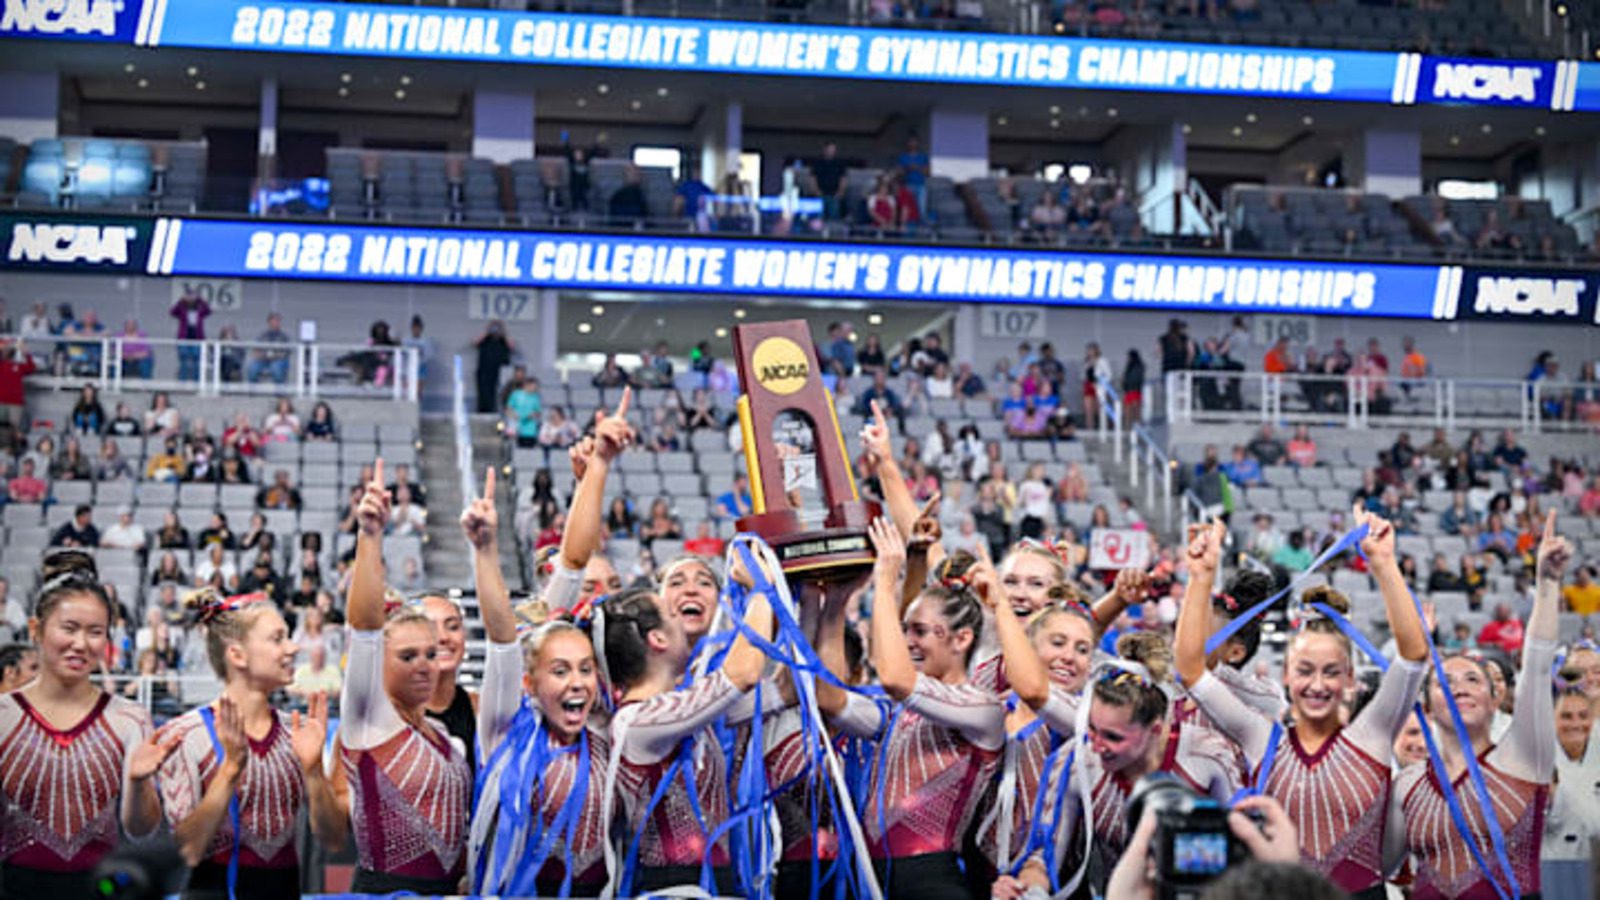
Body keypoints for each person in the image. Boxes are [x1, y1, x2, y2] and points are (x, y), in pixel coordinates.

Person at [1177, 512, 1426, 897]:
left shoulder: (1374, 731)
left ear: (1349, 680)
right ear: (1287, 677)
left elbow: (1413, 655)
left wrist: (1384, 563)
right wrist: (1200, 578)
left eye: (1331, 672)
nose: (1317, 684)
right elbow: (1191, 669)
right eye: (1305, 670)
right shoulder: (1260, 735)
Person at [1393, 510, 1566, 899]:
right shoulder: (1407, 783)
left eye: (1473, 679)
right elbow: (1380, 867)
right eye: (1444, 682)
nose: (1459, 688)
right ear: (1428, 705)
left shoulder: (1524, 758)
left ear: (1495, 700)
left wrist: (1548, 585)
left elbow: (1537, 671)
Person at [597, 525, 773, 894]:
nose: (682, 610)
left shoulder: (683, 705)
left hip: (711, 882)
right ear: (657, 639)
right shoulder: (636, 719)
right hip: (669, 887)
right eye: (670, 613)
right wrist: (762, 590)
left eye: (704, 582)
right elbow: (743, 673)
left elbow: (780, 690)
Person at [1002, 629, 1241, 898]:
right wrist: (1026, 889)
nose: (1096, 744)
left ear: (1155, 729)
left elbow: (1243, 856)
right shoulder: (1078, 759)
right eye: (1091, 728)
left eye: (1113, 737)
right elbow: (1046, 854)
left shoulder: (1207, 755)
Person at [463, 467, 610, 897]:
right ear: (528, 683)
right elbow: (503, 641)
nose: (577, 683)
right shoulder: (504, 730)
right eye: (560, 671)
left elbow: (576, 565)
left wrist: (596, 471)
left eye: (585, 669)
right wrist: (486, 550)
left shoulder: (605, 731)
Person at [147, 590, 343, 899]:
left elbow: (333, 840)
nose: (293, 648)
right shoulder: (185, 734)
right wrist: (230, 770)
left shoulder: (299, 733)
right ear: (237, 655)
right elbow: (188, 851)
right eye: (277, 639)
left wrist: (315, 771)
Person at [337, 460, 471, 893]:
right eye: (408, 655)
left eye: (430, 654)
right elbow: (363, 629)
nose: (424, 665)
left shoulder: (441, 735)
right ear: (379, 665)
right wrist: (370, 537)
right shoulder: (370, 720)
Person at [0, 554, 167, 896]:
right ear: (36, 629)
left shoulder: (129, 718)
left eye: (95, 632)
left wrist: (137, 783)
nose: (81, 644)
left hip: (101, 886)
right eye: (69, 628)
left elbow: (140, 831)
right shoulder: (4, 713)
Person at [474, 320, 514, 414]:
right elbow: (475, 343)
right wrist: (487, 331)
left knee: (499, 391)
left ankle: (498, 410)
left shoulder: (503, 340)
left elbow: (512, 347)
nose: (495, 330)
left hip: (500, 370)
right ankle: (483, 411)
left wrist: (503, 333)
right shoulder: (485, 340)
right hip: (484, 370)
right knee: (484, 391)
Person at [171, 290, 211, 382]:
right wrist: (181, 300)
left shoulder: (200, 309)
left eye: (192, 296)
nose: (190, 298)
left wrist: (200, 299)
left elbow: (208, 311)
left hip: (197, 338)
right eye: (189, 296)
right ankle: (182, 382)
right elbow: (172, 312)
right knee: (183, 360)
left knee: (197, 361)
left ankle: (197, 382)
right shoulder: (182, 308)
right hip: (184, 338)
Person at [246, 312, 293, 385]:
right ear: (269, 322)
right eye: (273, 321)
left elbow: (287, 352)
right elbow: (255, 349)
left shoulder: (284, 336)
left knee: (276, 368)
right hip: (263, 360)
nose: (276, 323)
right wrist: (260, 355)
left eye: (278, 321)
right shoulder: (262, 335)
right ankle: (252, 392)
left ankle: (280, 393)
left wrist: (276, 356)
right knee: (253, 368)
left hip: (279, 360)